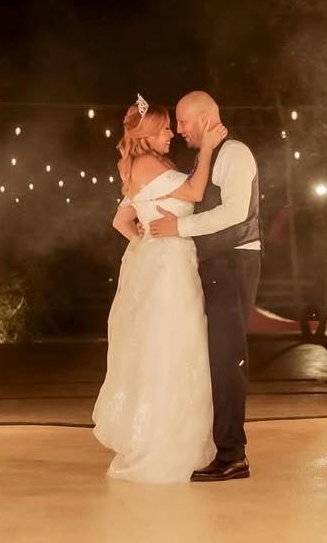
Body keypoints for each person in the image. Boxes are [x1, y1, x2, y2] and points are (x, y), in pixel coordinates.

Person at [91, 93, 227, 483]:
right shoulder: (147, 164)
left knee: (166, 346)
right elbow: (195, 193)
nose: (171, 134)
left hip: (164, 262)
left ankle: (167, 435)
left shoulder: (145, 166)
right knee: (172, 347)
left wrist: (143, 240)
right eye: (165, 128)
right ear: (148, 134)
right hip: (168, 269)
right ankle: (165, 444)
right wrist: (208, 149)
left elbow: (120, 221)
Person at [149, 90, 261, 483]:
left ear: (205, 117)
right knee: (214, 359)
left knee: (227, 359)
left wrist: (179, 227)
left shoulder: (235, 154)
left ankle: (233, 456)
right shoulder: (208, 156)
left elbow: (234, 212)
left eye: (183, 121)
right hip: (217, 264)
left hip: (234, 263)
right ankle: (222, 448)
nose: (179, 130)